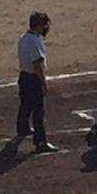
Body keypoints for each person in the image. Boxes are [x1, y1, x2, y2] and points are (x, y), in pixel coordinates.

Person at [14, 11, 58, 154]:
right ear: (38, 26)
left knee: (25, 105)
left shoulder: (24, 38)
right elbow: (37, 65)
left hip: (24, 77)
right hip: (33, 79)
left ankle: (23, 129)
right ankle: (40, 142)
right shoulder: (33, 41)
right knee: (38, 111)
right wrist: (43, 84)